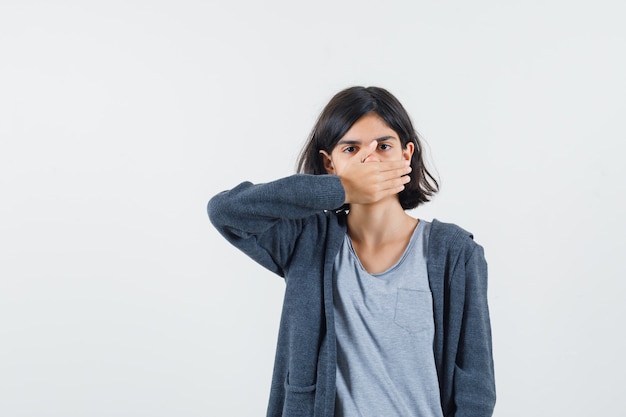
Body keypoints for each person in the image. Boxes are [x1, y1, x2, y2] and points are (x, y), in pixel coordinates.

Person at [208, 86, 496, 417]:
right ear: (329, 164)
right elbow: (225, 212)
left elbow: (476, 387)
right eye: (351, 148)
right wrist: (341, 189)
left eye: (384, 146)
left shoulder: (455, 253)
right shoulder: (306, 241)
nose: (368, 159)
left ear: (407, 155)